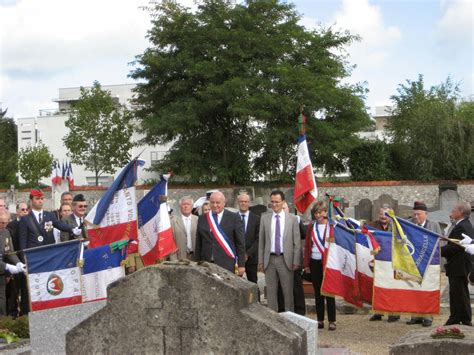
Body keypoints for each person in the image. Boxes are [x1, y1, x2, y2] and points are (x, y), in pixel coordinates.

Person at [258, 190, 301, 312]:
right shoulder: (264, 218)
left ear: (283, 202)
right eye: (272, 202)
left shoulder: (292, 219)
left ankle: (290, 321)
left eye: (277, 202)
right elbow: (261, 242)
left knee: (288, 293)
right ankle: (274, 322)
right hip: (269, 260)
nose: (274, 204)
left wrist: (296, 261)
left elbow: (296, 243)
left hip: (285, 260)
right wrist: (261, 261)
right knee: (271, 294)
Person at [406, 201, 442, 327]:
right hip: (414, 262)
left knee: (427, 289)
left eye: (419, 215)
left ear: (425, 214)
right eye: (414, 215)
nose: (416, 217)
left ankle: (427, 316)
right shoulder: (409, 224)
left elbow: (440, 243)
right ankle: (415, 315)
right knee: (414, 289)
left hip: (430, 262)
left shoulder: (433, 225)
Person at [195, 191, 246, 275]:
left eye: (218, 202)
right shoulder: (202, 218)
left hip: (227, 262)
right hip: (206, 263)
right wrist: (197, 262)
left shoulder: (234, 218)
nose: (215, 205)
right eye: (212, 202)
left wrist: (241, 265)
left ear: (224, 203)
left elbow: (240, 243)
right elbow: (198, 243)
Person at [303, 201, 336, 330]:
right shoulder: (312, 227)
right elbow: (307, 246)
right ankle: (320, 319)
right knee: (318, 292)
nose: (318, 215)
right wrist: (306, 264)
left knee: (329, 292)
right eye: (316, 213)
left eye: (321, 212)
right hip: (314, 261)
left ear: (326, 212)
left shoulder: (332, 226)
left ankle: (332, 320)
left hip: (328, 263)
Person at [441, 202, 473, 326]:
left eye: (454, 210)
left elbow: (457, 247)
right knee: (456, 293)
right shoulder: (462, 225)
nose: (452, 212)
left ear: (460, 212)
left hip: (460, 265)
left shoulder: (462, 226)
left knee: (460, 293)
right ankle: (456, 316)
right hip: (457, 265)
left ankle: (463, 319)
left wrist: (439, 251)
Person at [367, 204, 399, 322]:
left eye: (386, 214)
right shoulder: (372, 226)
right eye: (381, 214)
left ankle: (393, 313)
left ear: (391, 216)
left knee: (391, 287)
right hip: (377, 261)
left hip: (391, 261)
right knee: (377, 287)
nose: (383, 217)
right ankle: (378, 312)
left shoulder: (396, 226)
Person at [277, 201, 306, 315]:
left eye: (284, 208)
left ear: (288, 209)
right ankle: (282, 312)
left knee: (297, 287)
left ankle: (300, 312)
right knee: (280, 288)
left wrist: (298, 222)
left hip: (294, 260)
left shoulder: (296, 220)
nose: (282, 210)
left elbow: (304, 234)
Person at [6, 203, 29, 316]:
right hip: (14, 261)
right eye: (22, 209)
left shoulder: (29, 223)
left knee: (26, 289)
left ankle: (25, 312)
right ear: (17, 211)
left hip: (26, 261)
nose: (25, 211)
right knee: (14, 290)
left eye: (26, 209)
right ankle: (13, 312)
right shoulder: (11, 225)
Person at [0, 211, 24, 316]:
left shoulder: (6, 232)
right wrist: (8, 266)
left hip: (1, 272)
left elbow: (9, 252)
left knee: (2, 299)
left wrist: (18, 263)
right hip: (3, 266)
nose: (4, 225)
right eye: (1, 222)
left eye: (6, 222)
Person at [237, 192, 260, 285]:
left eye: (246, 201)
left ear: (249, 203)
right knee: (236, 283)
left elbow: (258, 239)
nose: (243, 203)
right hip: (236, 258)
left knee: (253, 283)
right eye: (241, 201)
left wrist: (247, 254)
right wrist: (240, 254)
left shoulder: (256, 219)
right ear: (238, 202)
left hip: (251, 258)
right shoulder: (232, 218)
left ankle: (256, 300)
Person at [170, 196, 198, 260]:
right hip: (180, 258)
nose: (186, 206)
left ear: (192, 206)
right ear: (180, 206)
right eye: (184, 204)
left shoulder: (198, 220)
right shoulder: (173, 221)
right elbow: (171, 242)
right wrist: (173, 260)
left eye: (188, 204)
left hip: (195, 257)